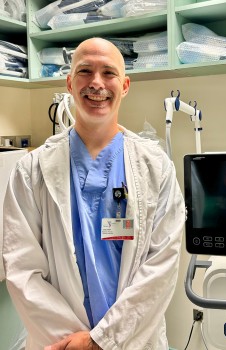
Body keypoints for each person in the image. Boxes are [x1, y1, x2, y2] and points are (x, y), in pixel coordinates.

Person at [2, 37, 185, 350]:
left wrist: (103, 341)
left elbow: (161, 268)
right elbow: (21, 267)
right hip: (58, 341)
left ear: (124, 85)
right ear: (70, 83)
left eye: (109, 73)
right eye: (85, 71)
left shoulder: (156, 167)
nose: (96, 83)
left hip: (134, 339)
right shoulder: (31, 170)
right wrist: (78, 344)